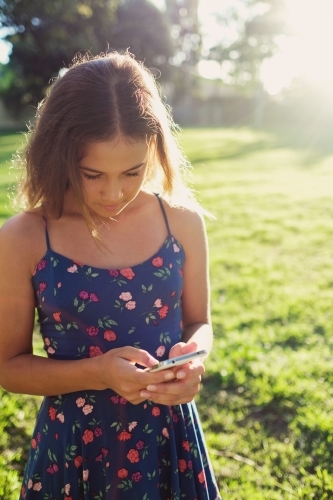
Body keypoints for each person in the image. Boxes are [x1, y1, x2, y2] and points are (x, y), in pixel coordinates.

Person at [0, 52, 220, 500]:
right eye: (92, 174)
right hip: (76, 446)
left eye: (133, 172)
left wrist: (193, 357)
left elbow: (200, 321)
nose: (114, 192)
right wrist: (99, 372)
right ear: (59, 155)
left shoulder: (181, 223)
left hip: (167, 436)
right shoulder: (24, 237)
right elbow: (9, 368)